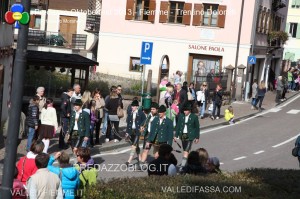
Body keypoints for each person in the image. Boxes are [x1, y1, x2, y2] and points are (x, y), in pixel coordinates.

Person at [175, 104, 200, 169]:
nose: (184, 112)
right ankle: (188, 163)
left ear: (189, 110)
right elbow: (178, 126)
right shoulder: (181, 116)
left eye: (186, 110)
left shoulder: (194, 117)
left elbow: (197, 127)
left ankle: (182, 167)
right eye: (184, 110)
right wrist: (176, 135)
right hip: (182, 135)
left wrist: (197, 137)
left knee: (186, 151)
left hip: (190, 136)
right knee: (185, 151)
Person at [125, 100, 146, 169]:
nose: (132, 107)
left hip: (138, 131)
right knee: (136, 146)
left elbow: (145, 120)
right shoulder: (130, 113)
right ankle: (140, 159)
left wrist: (142, 126)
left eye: (133, 106)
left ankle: (129, 161)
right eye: (132, 106)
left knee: (133, 145)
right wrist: (127, 132)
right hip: (131, 131)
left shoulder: (141, 113)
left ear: (137, 107)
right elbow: (128, 123)